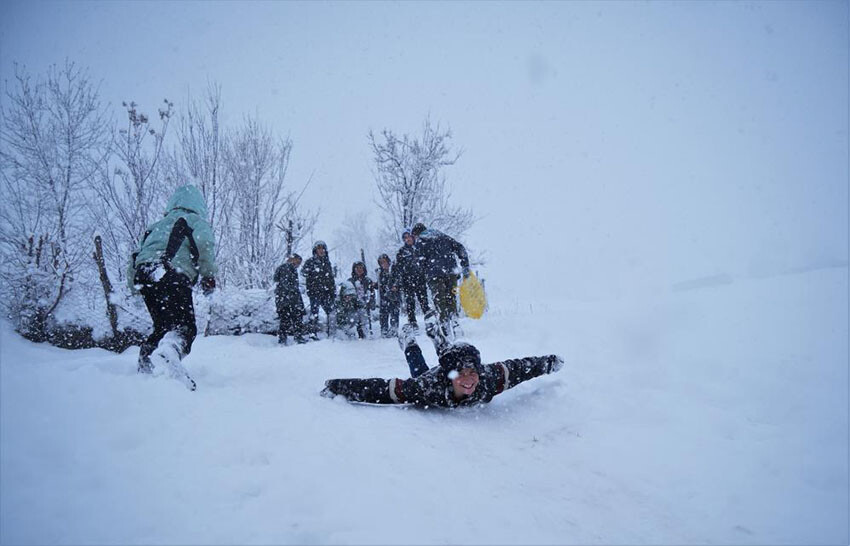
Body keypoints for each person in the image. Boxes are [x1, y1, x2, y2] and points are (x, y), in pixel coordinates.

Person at [320, 322, 563, 408]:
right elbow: (385, 390)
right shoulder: (427, 387)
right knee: (419, 370)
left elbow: (520, 368)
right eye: (461, 374)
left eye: (472, 373)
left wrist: (548, 363)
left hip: (447, 366)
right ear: (449, 378)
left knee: (444, 359)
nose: (468, 379)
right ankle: (409, 342)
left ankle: (439, 338)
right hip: (432, 377)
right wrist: (338, 386)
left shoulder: (488, 379)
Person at [128, 185, 217, 390]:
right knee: (185, 327)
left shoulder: (155, 226)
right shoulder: (194, 221)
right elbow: (204, 243)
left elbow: (135, 254)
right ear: (198, 205)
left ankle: (147, 363)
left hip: (145, 274)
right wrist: (208, 275)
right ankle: (169, 353)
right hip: (173, 273)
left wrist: (135, 287)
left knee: (163, 325)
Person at [410, 222, 470, 339]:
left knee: (440, 300)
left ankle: (445, 325)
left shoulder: (421, 241)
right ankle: (454, 321)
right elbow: (460, 248)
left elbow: (419, 261)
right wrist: (465, 264)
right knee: (451, 298)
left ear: (417, 234)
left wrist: (424, 270)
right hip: (451, 272)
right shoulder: (443, 236)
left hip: (435, 275)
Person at [393, 229, 432, 328]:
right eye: (405, 238)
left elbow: (427, 263)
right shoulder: (401, 252)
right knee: (410, 303)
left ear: (413, 237)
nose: (407, 239)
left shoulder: (420, 248)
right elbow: (397, 268)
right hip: (407, 281)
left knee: (424, 301)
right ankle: (412, 322)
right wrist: (397, 281)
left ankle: (429, 320)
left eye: (408, 236)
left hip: (420, 279)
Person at [301, 240, 336, 339]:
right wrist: (310, 287)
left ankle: (332, 333)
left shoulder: (327, 263)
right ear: (315, 250)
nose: (321, 250)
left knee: (331, 312)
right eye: (319, 248)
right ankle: (312, 334)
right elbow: (303, 274)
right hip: (314, 293)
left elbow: (331, 279)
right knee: (314, 313)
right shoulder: (310, 262)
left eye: (322, 248)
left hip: (327, 293)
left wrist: (333, 292)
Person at [273, 253, 307, 345]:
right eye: (298, 262)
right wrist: (295, 290)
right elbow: (287, 284)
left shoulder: (284, 268)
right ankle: (296, 337)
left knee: (285, 320)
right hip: (289, 300)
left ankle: (284, 339)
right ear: (293, 259)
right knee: (293, 319)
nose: (298, 265)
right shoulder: (287, 268)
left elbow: (279, 281)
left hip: (284, 299)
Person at [337, 261, 375, 339]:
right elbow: (344, 294)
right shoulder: (350, 281)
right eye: (357, 268)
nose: (359, 270)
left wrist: (371, 303)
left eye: (361, 268)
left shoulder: (368, 280)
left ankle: (365, 333)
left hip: (365, 303)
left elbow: (372, 293)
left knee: (364, 318)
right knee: (354, 318)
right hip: (353, 304)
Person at [376, 253, 400, 338]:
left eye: (385, 262)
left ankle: (394, 329)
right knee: (383, 314)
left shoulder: (394, 270)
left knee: (394, 313)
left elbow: (398, 280)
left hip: (394, 297)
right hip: (384, 297)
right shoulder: (379, 273)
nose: (384, 264)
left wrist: (395, 286)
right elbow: (380, 285)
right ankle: (384, 329)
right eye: (381, 262)